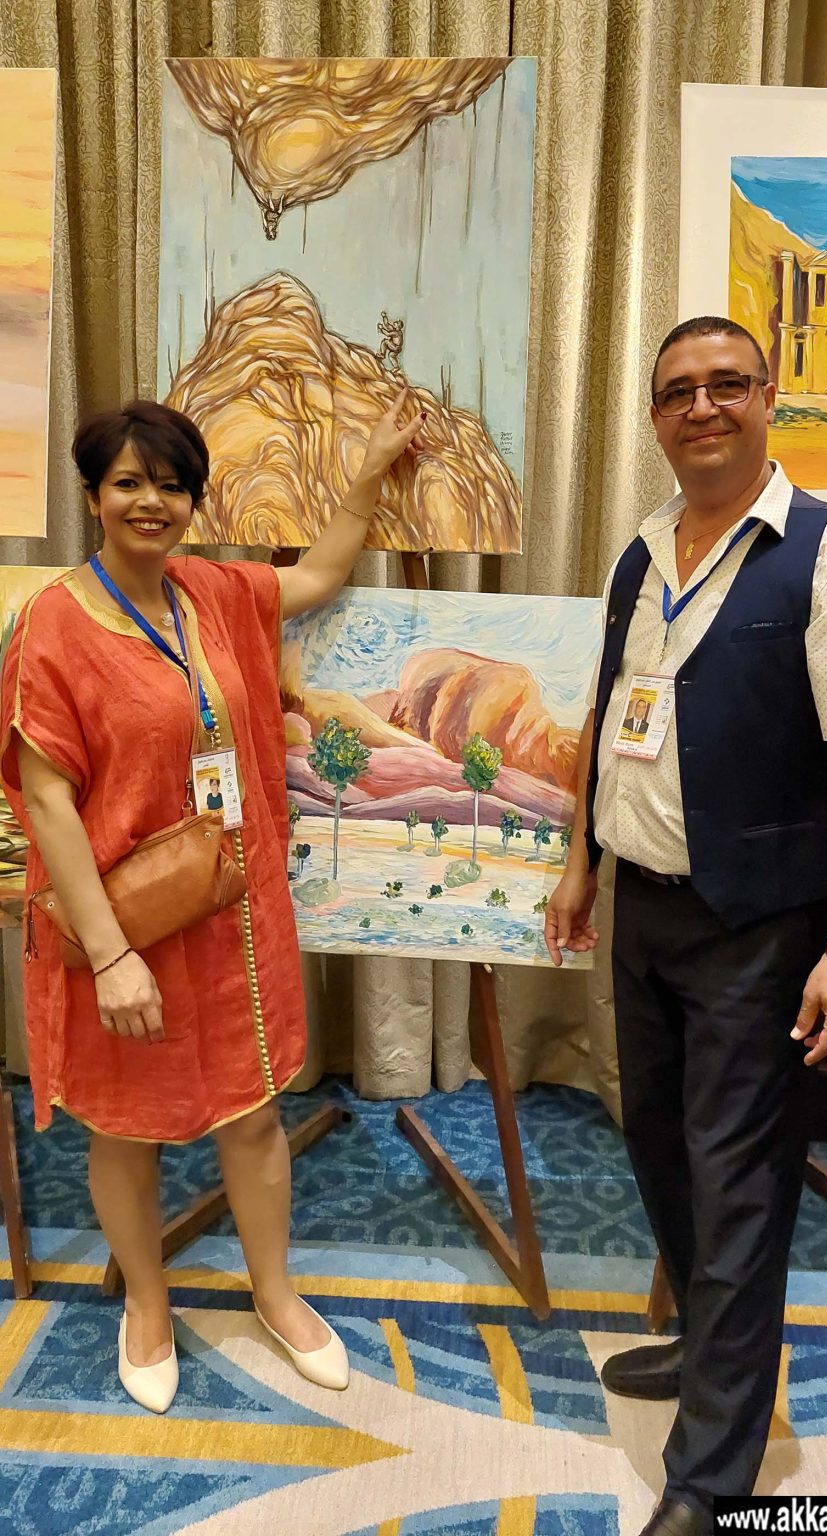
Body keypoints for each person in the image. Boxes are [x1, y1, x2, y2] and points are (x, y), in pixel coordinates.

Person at [545, 317, 827, 1533]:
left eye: (725, 385)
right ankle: (710, 1341)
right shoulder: (643, 551)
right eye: (677, 392)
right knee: (657, 1144)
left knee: (740, 1179)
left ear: (768, 398)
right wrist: (581, 863)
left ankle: (711, 1470)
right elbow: (611, 713)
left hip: (763, 926)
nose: (701, 407)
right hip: (644, 910)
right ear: (655, 417)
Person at [0, 390, 424, 1415]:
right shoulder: (53, 626)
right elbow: (47, 803)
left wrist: (370, 471)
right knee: (123, 1127)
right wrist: (110, 955)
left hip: (234, 911)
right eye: (128, 483)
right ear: (93, 496)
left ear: (194, 500)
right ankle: (148, 1304)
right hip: (124, 924)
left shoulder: (210, 592)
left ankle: (274, 1293)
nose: (151, 502)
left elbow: (317, 575)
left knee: (254, 1113)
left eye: (172, 485)